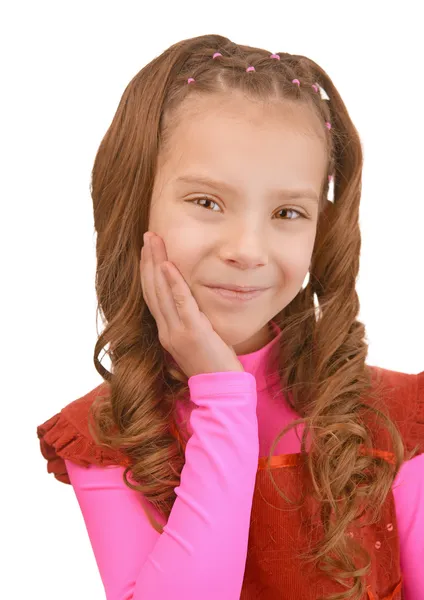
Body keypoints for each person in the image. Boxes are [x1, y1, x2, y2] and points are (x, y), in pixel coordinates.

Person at [36, 34, 424, 600]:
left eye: (288, 211)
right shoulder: (108, 436)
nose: (248, 248)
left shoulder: (397, 417)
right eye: (208, 202)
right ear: (135, 200)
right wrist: (222, 395)